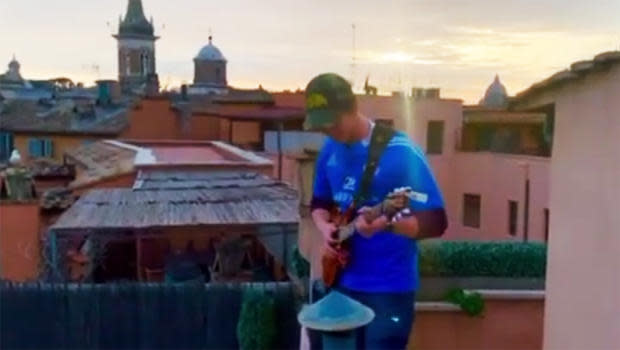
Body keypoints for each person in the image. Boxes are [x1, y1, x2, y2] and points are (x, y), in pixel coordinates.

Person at [305, 73, 447, 349]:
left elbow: (436, 221)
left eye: (332, 123)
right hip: (341, 282)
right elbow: (319, 204)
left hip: (388, 288)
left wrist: (386, 224)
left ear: (352, 108)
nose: (328, 131)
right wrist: (326, 230)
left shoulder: (401, 153)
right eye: (322, 127)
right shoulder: (329, 151)